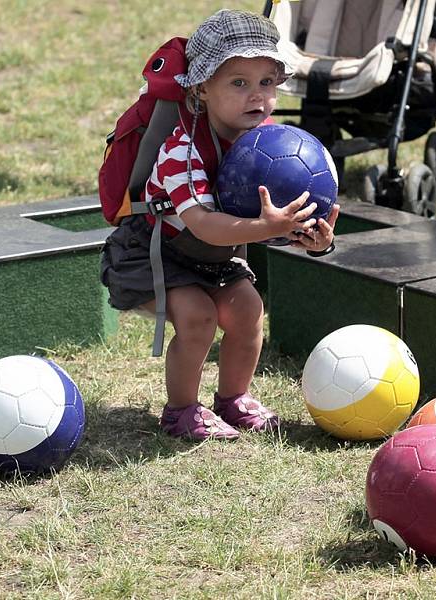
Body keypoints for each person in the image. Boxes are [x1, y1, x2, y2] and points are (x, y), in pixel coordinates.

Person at [100, 9, 339, 441]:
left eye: (266, 82)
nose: (257, 96)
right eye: (239, 82)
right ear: (202, 89)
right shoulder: (182, 150)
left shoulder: (274, 147)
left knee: (248, 310)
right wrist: (267, 228)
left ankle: (234, 399)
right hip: (158, 251)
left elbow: (272, 221)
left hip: (216, 256)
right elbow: (206, 225)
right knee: (198, 317)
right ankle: (180, 411)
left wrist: (311, 238)